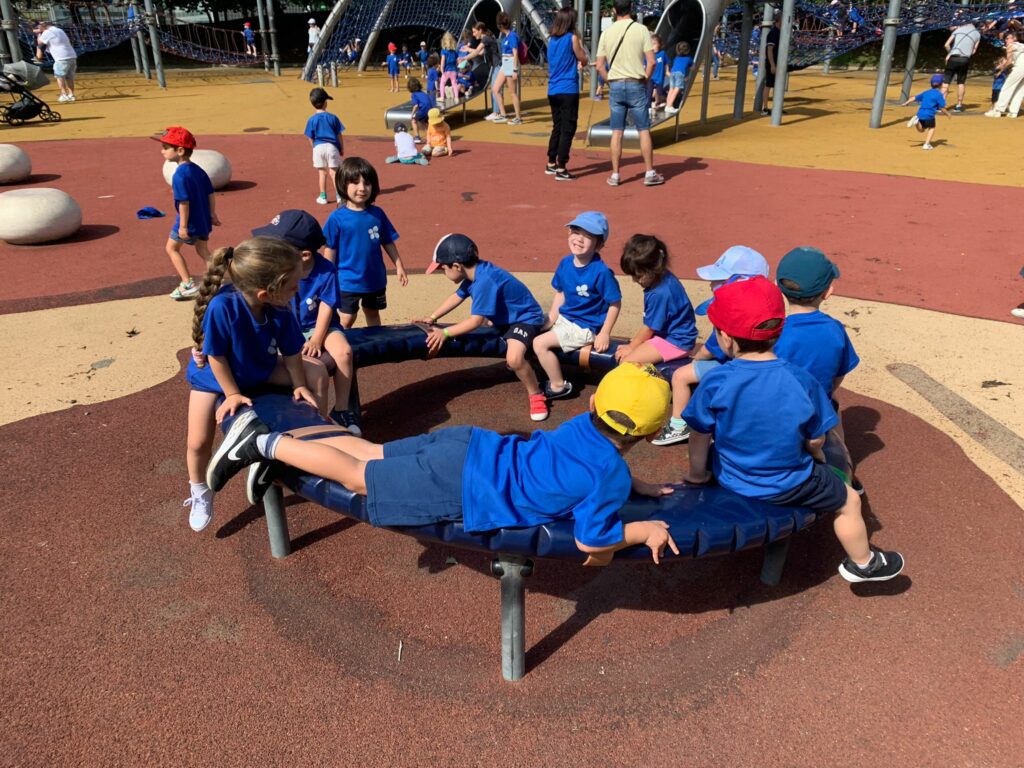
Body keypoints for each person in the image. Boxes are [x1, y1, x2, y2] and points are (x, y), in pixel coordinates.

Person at [206, 362, 682, 567]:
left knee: (369, 452)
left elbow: (587, 463)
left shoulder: (582, 425)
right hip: (462, 483)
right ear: (651, 434)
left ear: (595, 401)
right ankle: (263, 444)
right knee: (358, 478)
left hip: (470, 445)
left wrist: (632, 483)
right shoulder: (608, 475)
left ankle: (285, 444)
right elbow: (591, 542)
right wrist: (642, 531)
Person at [682, 277, 905, 583]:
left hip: (731, 475)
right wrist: (818, 457)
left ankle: (863, 564)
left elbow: (699, 433)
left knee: (715, 447)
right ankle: (864, 564)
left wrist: (697, 474)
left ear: (725, 338)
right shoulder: (801, 381)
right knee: (850, 501)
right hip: (789, 483)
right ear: (779, 329)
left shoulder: (716, 381)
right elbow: (816, 438)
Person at [184, 236, 320, 532]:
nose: (298, 290)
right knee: (198, 442)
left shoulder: (280, 307)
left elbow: (292, 351)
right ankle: (199, 489)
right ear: (265, 293)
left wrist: (300, 384)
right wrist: (232, 394)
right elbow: (216, 356)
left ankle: (313, 435)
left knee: (316, 374)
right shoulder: (223, 307)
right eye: (293, 286)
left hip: (257, 368)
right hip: (215, 378)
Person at [417, 233, 550, 421]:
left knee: (513, 359)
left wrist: (444, 333)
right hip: (506, 318)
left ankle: (536, 394)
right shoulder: (475, 273)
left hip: (525, 319)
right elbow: (457, 296)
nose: (442, 272)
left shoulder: (484, 280)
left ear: (457, 266)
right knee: (495, 330)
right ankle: (522, 359)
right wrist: (432, 317)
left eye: (442, 268)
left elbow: (475, 322)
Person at [251, 210, 360, 434]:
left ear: (304, 255)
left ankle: (341, 409)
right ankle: (298, 418)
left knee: (344, 353)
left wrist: (317, 339)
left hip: (320, 327)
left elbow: (327, 306)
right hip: (287, 329)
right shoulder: (278, 271)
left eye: (279, 247)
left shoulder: (326, 270)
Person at [652, 246, 769, 447]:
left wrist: (696, 359)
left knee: (680, 376)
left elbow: (708, 350)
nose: (711, 284)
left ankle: (679, 425)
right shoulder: (765, 307)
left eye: (719, 280)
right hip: (758, 367)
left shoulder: (729, 313)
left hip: (731, 367)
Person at [773, 246, 860, 488]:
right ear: (828, 292)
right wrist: (826, 393)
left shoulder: (775, 333)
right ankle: (844, 466)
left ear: (777, 286)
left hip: (777, 411)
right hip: (816, 410)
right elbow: (839, 374)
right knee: (833, 407)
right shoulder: (835, 330)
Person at [533, 212, 622, 410]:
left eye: (588, 236)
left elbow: (615, 303)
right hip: (566, 319)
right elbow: (561, 293)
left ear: (599, 244)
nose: (579, 239)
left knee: (540, 343)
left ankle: (558, 386)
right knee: (531, 326)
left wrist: (604, 332)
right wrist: (551, 318)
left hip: (585, 327)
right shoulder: (565, 263)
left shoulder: (601, 272)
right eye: (576, 232)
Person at [323, 157, 408, 328]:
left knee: (372, 313)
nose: (362, 188)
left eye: (367, 183)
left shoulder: (377, 214)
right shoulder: (337, 218)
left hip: (374, 278)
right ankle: (340, 342)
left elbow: (387, 241)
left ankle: (375, 342)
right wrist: (327, 276)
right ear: (342, 184)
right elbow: (330, 248)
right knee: (347, 318)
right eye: (355, 182)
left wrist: (399, 265)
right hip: (347, 280)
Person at [595, 0, 665, 187]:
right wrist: (645, 79)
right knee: (643, 129)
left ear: (614, 10)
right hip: (636, 83)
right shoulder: (641, 30)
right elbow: (652, 62)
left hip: (616, 84)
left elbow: (600, 65)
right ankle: (649, 172)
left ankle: (615, 174)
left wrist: (609, 80)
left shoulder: (606, 33)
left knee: (617, 132)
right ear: (631, 9)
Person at [156, 126, 219, 301]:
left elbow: (184, 202)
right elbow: (210, 193)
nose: (162, 151)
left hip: (188, 221)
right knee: (203, 249)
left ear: (180, 150)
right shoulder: (198, 170)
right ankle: (216, 280)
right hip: (203, 219)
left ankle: (187, 283)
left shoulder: (179, 176)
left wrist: (182, 226)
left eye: (165, 148)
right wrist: (212, 214)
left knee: (171, 248)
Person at [614, 234, 697, 367]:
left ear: (653, 269)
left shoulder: (660, 293)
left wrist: (631, 347)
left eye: (638, 276)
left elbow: (649, 328)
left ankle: (655, 375)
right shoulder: (663, 277)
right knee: (632, 357)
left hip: (676, 342)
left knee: (628, 362)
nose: (634, 280)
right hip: (670, 336)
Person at [545, 6, 589, 181]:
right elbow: (583, 57)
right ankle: (561, 166)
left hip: (553, 88)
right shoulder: (572, 38)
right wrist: (582, 62)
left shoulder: (552, 40)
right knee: (568, 127)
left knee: (557, 126)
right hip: (568, 88)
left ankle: (551, 161)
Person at [304, 87, 345, 206]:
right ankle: (339, 196)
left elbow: (310, 137)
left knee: (322, 173)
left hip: (318, 147)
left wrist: (314, 147)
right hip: (332, 147)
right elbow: (339, 134)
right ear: (325, 103)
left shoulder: (311, 120)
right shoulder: (333, 117)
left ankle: (323, 196)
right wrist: (341, 148)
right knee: (334, 172)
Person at [490, 12, 523, 125]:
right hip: (505, 63)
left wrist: (515, 70)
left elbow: (515, 53)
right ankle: (503, 115)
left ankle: (518, 118)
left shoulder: (512, 36)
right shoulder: (507, 36)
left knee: (512, 92)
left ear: (501, 25)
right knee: (495, 89)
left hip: (510, 63)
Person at [902, 74, 950, 151]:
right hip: (929, 114)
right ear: (941, 85)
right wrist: (948, 114)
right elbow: (942, 107)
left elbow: (914, 98)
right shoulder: (939, 95)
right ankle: (926, 144)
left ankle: (916, 122)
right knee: (932, 128)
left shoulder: (926, 92)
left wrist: (906, 102)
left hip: (920, 113)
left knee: (922, 130)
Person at [463, 22, 501, 118]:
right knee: (495, 89)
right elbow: (480, 53)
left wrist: (464, 58)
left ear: (480, 30)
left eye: (474, 32)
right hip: (494, 66)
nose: (473, 34)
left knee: (495, 89)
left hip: (497, 66)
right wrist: (468, 50)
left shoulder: (486, 39)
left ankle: (496, 113)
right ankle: (497, 111)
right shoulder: (486, 39)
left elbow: (476, 52)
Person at [33, 21, 78, 103]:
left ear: (43, 26)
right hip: (72, 56)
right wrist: (39, 31)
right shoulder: (59, 30)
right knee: (69, 77)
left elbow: (40, 43)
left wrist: (39, 33)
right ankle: (71, 95)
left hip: (61, 57)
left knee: (60, 76)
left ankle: (64, 94)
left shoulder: (47, 32)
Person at [942, 19, 981, 112]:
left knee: (946, 82)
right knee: (961, 83)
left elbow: (946, 45)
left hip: (953, 57)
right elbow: (974, 50)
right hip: (965, 59)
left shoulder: (958, 29)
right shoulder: (977, 34)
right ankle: (959, 105)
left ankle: (941, 105)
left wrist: (950, 53)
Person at [986, 29, 1024, 118]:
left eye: (1008, 38)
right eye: (1005, 39)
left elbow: (1009, 61)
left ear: (1014, 38)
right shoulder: (1022, 45)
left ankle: (998, 110)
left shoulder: (1010, 46)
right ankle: (1013, 112)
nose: (1006, 40)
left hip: (1020, 69)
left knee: (1006, 88)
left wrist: (1001, 70)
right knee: (1020, 90)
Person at [664, 41, 694, 114]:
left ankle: (667, 105)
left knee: (671, 89)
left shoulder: (676, 58)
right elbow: (693, 68)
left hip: (672, 73)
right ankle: (669, 106)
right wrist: (688, 75)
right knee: (677, 89)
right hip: (680, 74)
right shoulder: (689, 59)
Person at [761, 15, 781, 116]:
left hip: (778, 62)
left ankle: (776, 107)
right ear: (778, 21)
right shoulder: (773, 32)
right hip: (772, 62)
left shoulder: (780, 32)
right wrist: (772, 65)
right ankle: (765, 108)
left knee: (777, 85)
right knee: (769, 84)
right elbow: (769, 50)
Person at [406, 76, 432, 142]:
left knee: (414, 120)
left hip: (424, 110)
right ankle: (430, 136)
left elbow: (416, 106)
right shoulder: (422, 93)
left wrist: (412, 114)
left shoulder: (414, 94)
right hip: (430, 109)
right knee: (425, 122)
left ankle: (417, 137)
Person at [438, 32, 460, 104]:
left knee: (442, 83)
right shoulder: (454, 52)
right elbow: (457, 61)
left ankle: (442, 97)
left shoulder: (443, 51)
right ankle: (456, 97)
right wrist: (457, 68)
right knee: (454, 83)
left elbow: (443, 61)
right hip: (453, 70)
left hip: (446, 70)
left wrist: (441, 69)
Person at [650, 34, 668, 111]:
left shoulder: (662, 54)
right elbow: (645, 64)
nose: (653, 46)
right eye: (651, 44)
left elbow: (666, 63)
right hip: (651, 77)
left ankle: (658, 102)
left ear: (659, 44)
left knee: (659, 91)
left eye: (654, 44)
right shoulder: (649, 55)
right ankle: (650, 104)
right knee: (650, 91)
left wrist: (667, 71)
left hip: (659, 77)